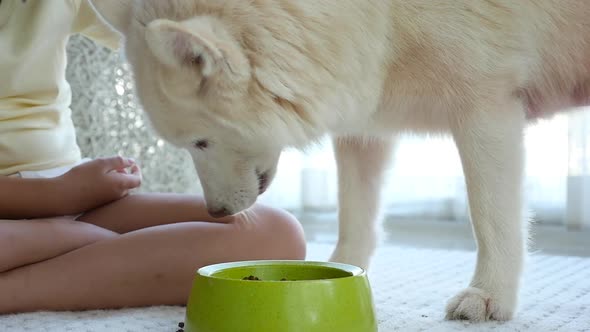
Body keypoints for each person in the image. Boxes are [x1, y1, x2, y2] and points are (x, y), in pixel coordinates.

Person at [0, 0, 306, 314]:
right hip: (29, 209)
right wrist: (55, 196)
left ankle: (47, 261)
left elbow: (160, 29)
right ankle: (69, 256)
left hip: (73, 198)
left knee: (275, 237)